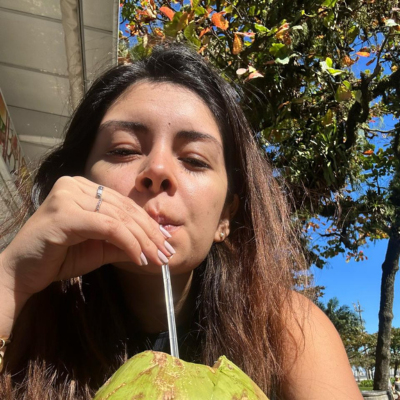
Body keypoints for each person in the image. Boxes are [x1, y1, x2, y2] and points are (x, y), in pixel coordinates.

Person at [0, 44, 362, 399]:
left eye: (194, 159)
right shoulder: (27, 321)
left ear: (225, 217)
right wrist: (10, 278)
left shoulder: (288, 331)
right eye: (123, 150)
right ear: (81, 180)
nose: (157, 171)